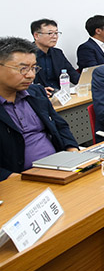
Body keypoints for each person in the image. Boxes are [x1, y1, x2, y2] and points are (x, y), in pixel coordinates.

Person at [0, 37, 78, 181]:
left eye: (34, 68)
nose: (31, 75)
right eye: (22, 69)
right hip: (19, 180)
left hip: (59, 168)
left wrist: (73, 151)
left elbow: (60, 126)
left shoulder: (36, 92)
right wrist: (18, 180)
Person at [31, 18, 79, 95]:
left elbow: (73, 74)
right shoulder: (26, 55)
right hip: (38, 96)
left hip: (59, 94)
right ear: (36, 36)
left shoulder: (57, 53)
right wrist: (36, 90)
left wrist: (86, 83)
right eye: (50, 33)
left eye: (56, 33)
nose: (55, 37)